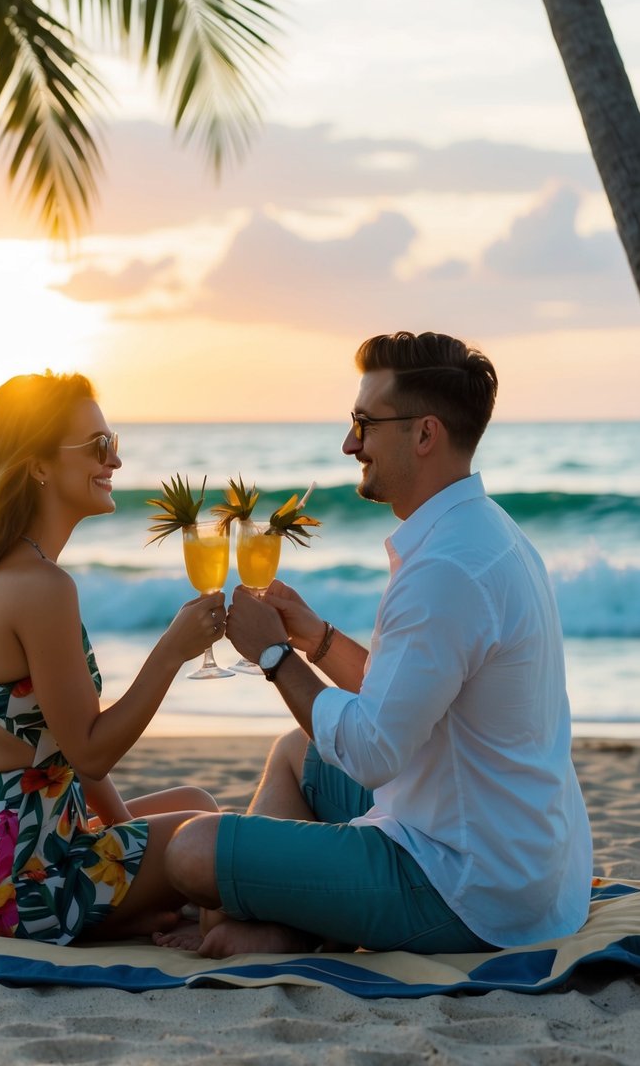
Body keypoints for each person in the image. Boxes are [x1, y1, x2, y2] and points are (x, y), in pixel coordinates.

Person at [157, 331, 593, 958]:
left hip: (468, 884)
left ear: (425, 434)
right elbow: (404, 699)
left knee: (191, 850)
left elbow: (372, 752)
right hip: (524, 858)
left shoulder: (446, 569)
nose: (349, 443)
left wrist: (274, 658)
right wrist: (316, 638)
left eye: (364, 423)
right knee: (294, 754)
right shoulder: (486, 533)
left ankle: (275, 923)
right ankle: (276, 920)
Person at [0, 371, 225, 944]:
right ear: (39, 465)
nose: (115, 463)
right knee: (214, 838)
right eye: (100, 447)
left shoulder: (9, 568)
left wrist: (133, 853)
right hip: (9, 880)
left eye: (114, 444)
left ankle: (128, 909)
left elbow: (71, 754)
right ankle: (125, 915)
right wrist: (172, 651)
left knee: (195, 806)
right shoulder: (41, 585)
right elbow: (91, 749)